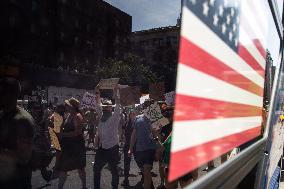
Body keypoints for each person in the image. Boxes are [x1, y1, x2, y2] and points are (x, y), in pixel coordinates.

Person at [0, 77, 35, 189]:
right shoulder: (3, 114)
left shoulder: (22, 120)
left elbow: (24, 157)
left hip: (16, 183)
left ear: (12, 95)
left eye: (2, 92)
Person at [93, 86, 122, 189]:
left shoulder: (114, 117)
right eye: (104, 106)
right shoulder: (101, 116)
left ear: (110, 108)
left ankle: (115, 187)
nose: (104, 107)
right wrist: (97, 92)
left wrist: (116, 93)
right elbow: (97, 105)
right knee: (96, 169)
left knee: (114, 170)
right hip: (102, 148)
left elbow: (118, 105)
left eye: (107, 106)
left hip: (113, 148)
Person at [57, 98, 86, 189]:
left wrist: (63, 134)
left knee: (80, 167)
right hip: (68, 146)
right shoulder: (68, 115)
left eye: (67, 105)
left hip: (76, 146)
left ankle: (84, 186)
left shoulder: (77, 116)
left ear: (72, 107)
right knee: (63, 168)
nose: (65, 106)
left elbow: (77, 132)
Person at [128, 100, 157, 189]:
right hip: (139, 150)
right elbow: (134, 135)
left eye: (149, 106)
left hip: (150, 149)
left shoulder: (155, 118)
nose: (147, 107)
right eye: (146, 106)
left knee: (147, 170)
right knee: (145, 172)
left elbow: (158, 135)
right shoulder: (138, 118)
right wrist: (130, 148)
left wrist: (158, 149)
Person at [122, 109, 136, 187]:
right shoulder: (126, 123)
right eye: (131, 114)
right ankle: (126, 179)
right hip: (127, 145)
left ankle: (145, 177)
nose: (132, 115)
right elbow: (123, 131)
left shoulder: (137, 123)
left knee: (140, 161)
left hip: (136, 145)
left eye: (133, 114)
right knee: (126, 163)